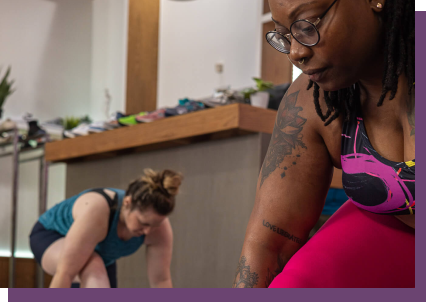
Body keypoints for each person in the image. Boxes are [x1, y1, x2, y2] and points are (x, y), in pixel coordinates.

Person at [233, 0, 414, 288]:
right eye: (284, 35)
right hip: (389, 229)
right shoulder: (311, 100)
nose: (296, 52)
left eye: (309, 24)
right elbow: (271, 244)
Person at [29, 169, 183, 288]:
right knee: (94, 269)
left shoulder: (160, 229)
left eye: (155, 225)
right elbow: (65, 274)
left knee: (99, 276)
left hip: (100, 255)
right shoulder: (98, 211)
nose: (148, 231)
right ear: (127, 203)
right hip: (51, 235)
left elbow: (160, 282)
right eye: (143, 223)